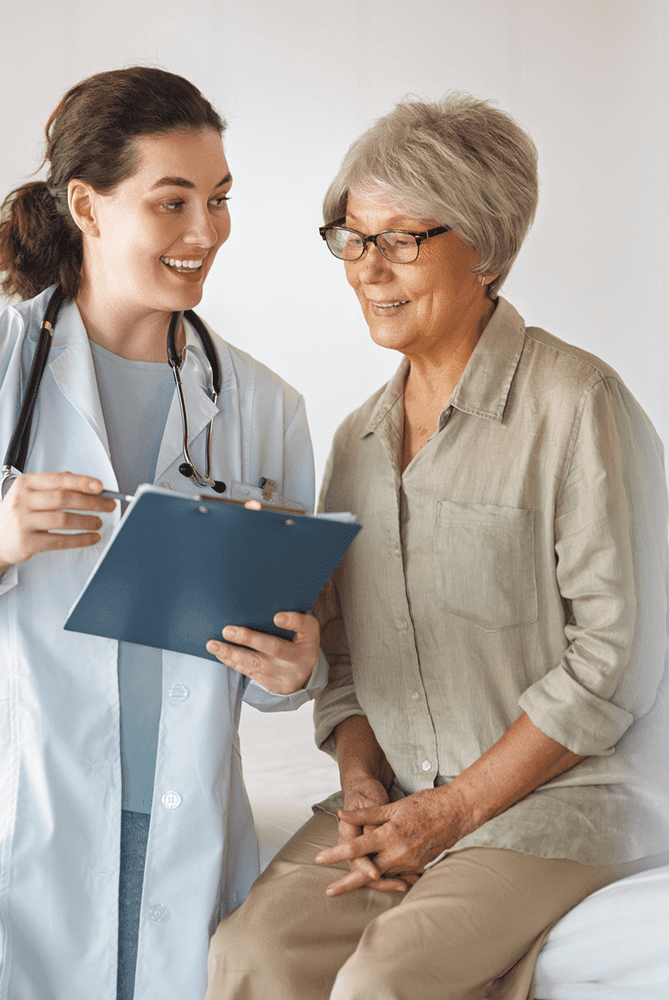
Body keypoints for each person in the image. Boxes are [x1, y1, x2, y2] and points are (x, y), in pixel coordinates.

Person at [0, 67, 324, 1000]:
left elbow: (287, 668)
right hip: (0, 832)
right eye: (173, 201)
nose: (207, 232)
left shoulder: (263, 406)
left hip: (173, 828)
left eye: (220, 199)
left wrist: (296, 668)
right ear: (88, 205)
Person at [205, 93, 669, 1000]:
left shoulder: (579, 407)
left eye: (401, 239)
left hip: (558, 808)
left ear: (487, 250)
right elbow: (341, 657)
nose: (369, 268)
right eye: (352, 237)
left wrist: (451, 811)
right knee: (246, 955)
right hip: (404, 798)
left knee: (387, 976)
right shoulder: (357, 444)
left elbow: (616, 662)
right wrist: (364, 784)